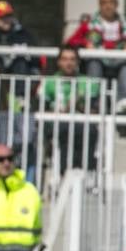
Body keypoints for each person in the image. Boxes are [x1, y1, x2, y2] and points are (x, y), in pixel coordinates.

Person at [66, 0, 126, 109]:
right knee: (93, 62)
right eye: (104, 2)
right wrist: (85, 43)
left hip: (119, 62)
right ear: (99, 4)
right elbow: (70, 41)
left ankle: (121, 104)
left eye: (111, 2)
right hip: (99, 62)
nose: (108, 6)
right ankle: (93, 101)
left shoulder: (125, 23)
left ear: (116, 4)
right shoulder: (90, 24)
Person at [40, 46, 102, 174]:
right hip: (58, 125)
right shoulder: (49, 82)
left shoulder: (88, 82)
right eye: (65, 59)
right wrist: (64, 110)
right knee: (65, 129)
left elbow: (96, 110)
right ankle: (65, 173)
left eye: (72, 59)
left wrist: (78, 105)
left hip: (83, 124)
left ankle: (87, 173)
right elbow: (41, 109)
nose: (68, 63)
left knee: (89, 131)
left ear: (78, 62)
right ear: (59, 62)